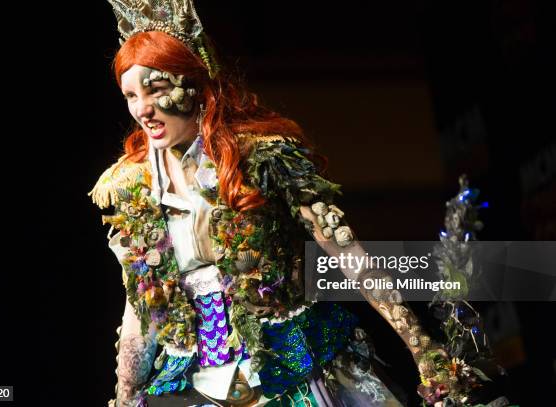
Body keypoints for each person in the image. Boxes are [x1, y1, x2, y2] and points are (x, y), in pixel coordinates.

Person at [90, 1, 508, 406]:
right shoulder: (132, 185)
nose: (143, 109)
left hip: (292, 367)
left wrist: (423, 351)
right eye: (130, 96)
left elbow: (350, 258)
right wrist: (125, 396)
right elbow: (141, 305)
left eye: (157, 89)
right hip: (193, 381)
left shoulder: (264, 158)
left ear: (196, 85)